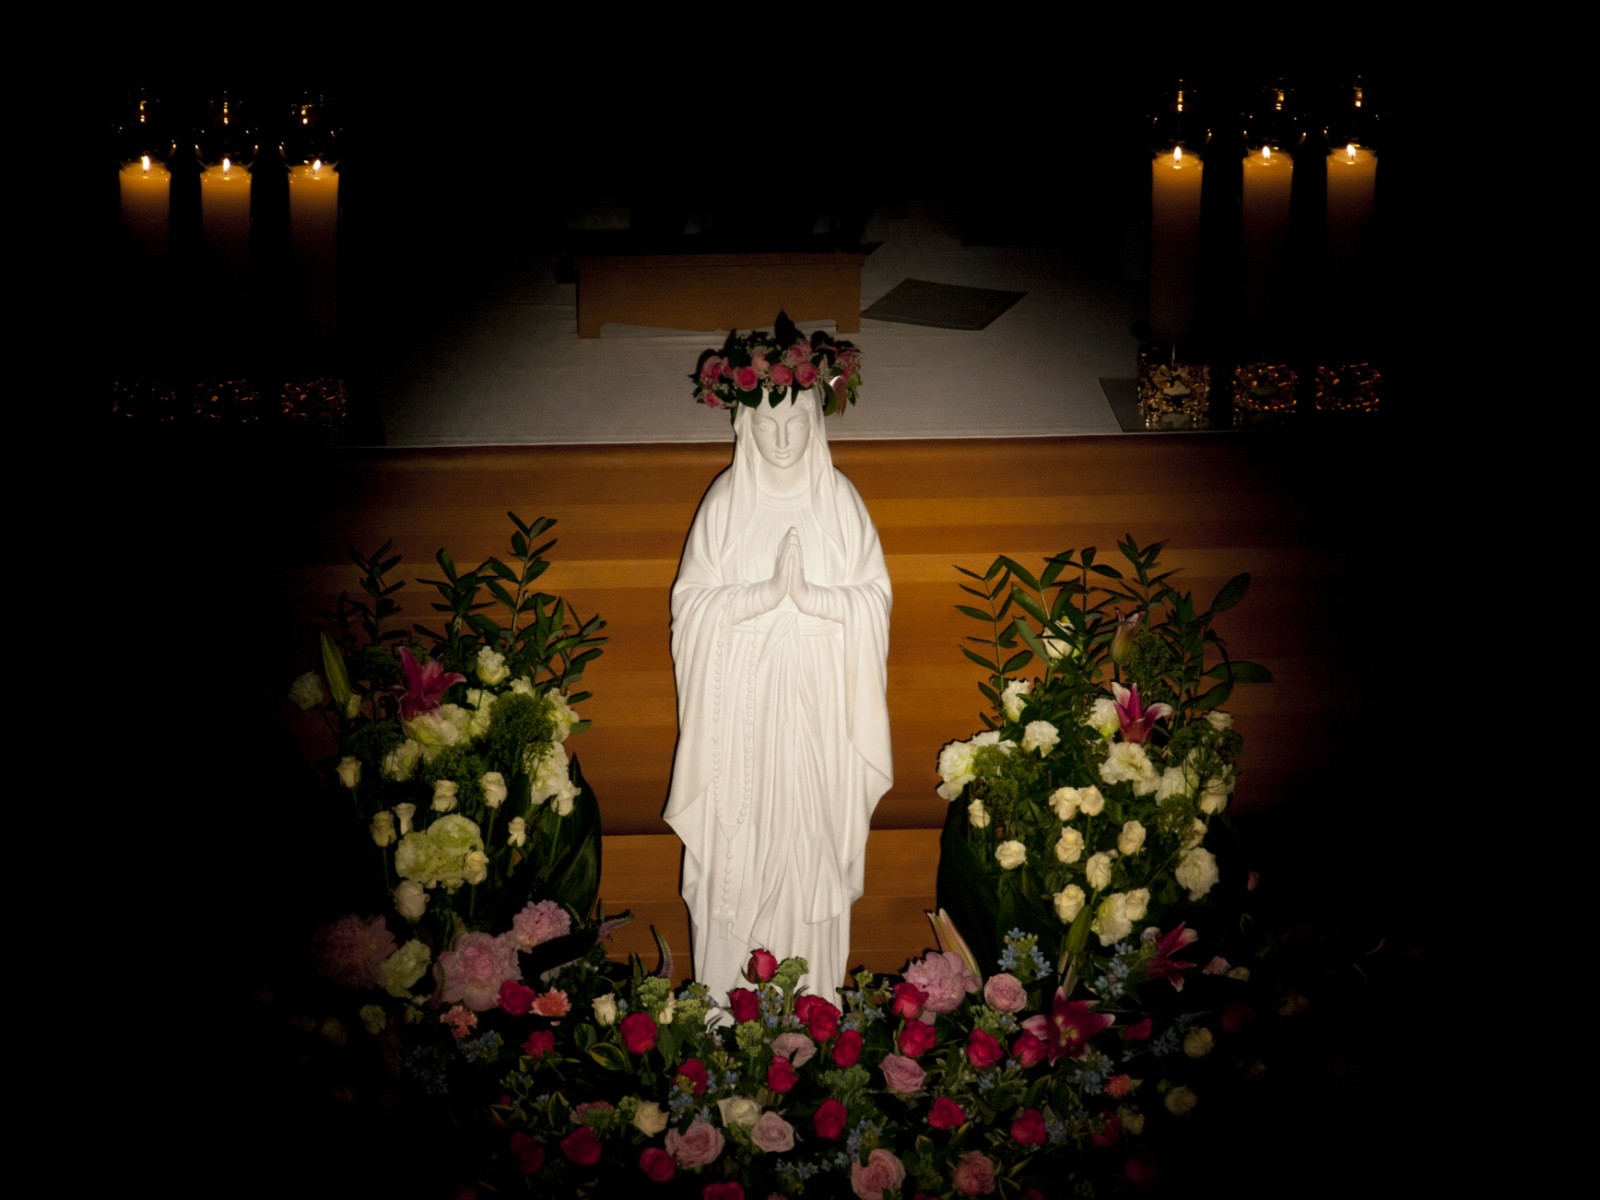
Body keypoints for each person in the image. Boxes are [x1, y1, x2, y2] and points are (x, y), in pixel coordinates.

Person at [665, 342, 891, 1004]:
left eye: (797, 423)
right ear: (745, 424)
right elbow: (689, 609)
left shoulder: (839, 502)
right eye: (769, 425)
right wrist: (761, 597)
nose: (785, 440)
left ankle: (812, 1008)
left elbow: (874, 599)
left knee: (808, 853)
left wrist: (816, 600)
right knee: (741, 858)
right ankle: (728, 1007)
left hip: (818, 719)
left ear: (817, 421)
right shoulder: (727, 504)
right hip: (743, 723)